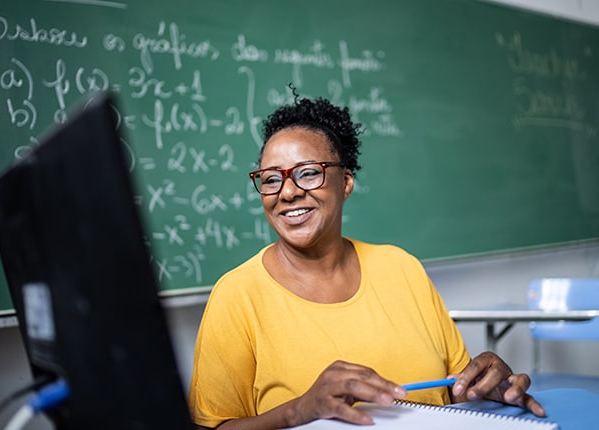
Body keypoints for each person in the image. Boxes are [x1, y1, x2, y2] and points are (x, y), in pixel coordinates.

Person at [188, 92, 545, 429]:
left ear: (345, 182)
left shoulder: (401, 268)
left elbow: (455, 388)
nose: (288, 191)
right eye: (270, 179)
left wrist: (487, 390)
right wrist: (298, 411)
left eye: (308, 172)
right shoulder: (237, 295)